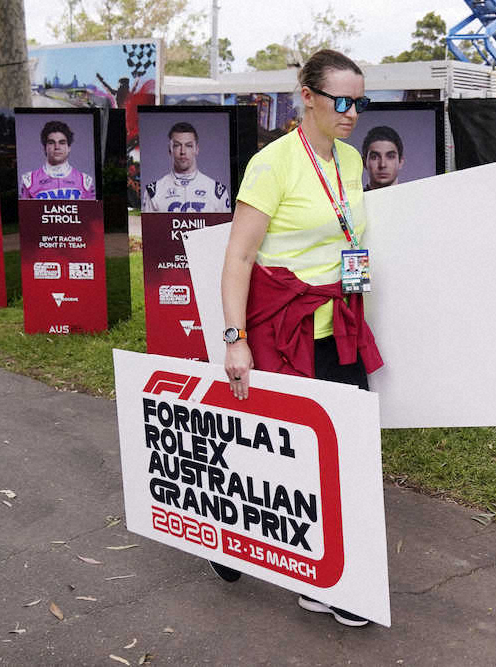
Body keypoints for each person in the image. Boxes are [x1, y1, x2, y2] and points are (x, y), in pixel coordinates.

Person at [217, 49, 383, 628]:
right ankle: (230, 536)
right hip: (283, 330)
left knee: (349, 451)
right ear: (307, 96)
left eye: (359, 101)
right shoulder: (273, 164)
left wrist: (355, 301)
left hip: (337, 324)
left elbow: (351, 236)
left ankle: (328, 581)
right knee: (285, 458)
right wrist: (234, 339)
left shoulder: (352, 159)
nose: (352, 111)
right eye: (341, 100)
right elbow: (238, 256)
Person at [141, 121, 230, 213]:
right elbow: (148, 227)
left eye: (189, 146)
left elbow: (226, 227)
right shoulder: (154, 191)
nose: (183, 151)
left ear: (197, 149)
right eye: (177, 145)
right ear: (169, 149)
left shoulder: (217, 191)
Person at [19, 120, 96, 200]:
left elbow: (90, 212)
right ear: (44, 148)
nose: (57, 147)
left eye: (62, 143)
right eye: (51, 143)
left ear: (69, 147)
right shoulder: (28, 181)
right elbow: (25, 212)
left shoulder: (85, 181)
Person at [362, 125, 404, 190]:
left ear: (400, 162)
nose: (382, 165)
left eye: (390, 157)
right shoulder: (352, 200)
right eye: (374, 157)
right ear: (364, 163)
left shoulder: (416, 198)